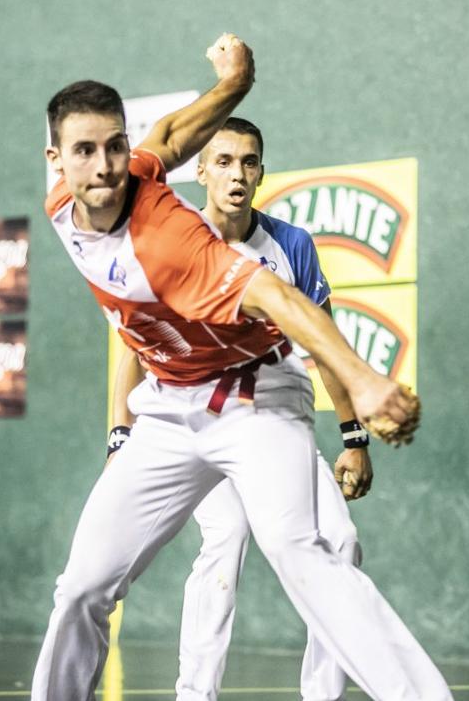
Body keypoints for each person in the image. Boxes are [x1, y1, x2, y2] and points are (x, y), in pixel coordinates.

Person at [33, 34, 451, 701]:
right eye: (86, 150)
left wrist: (365, 382)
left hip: (254, 402)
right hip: (168, 412)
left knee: (300, 552)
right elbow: (168, 136)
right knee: (83, 584)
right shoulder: (63, 201)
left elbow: (281, 299)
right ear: (56, 160)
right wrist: (233, 84)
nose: (108, 164)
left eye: (116, 147)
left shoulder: (173, 242)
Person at [108, 116, 414, 700]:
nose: (237, 174)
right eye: (222, 161)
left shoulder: (291, 245)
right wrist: (120, 439)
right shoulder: (173, 239)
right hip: (194, 419)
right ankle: (195, 694)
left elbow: (324, 343)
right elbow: (133, 346)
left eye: (249, 162)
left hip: (270, 423)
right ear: (199, 170)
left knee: (342, 542)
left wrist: (354, 438)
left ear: (262, 172)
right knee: (226, 535)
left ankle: (321, 696)